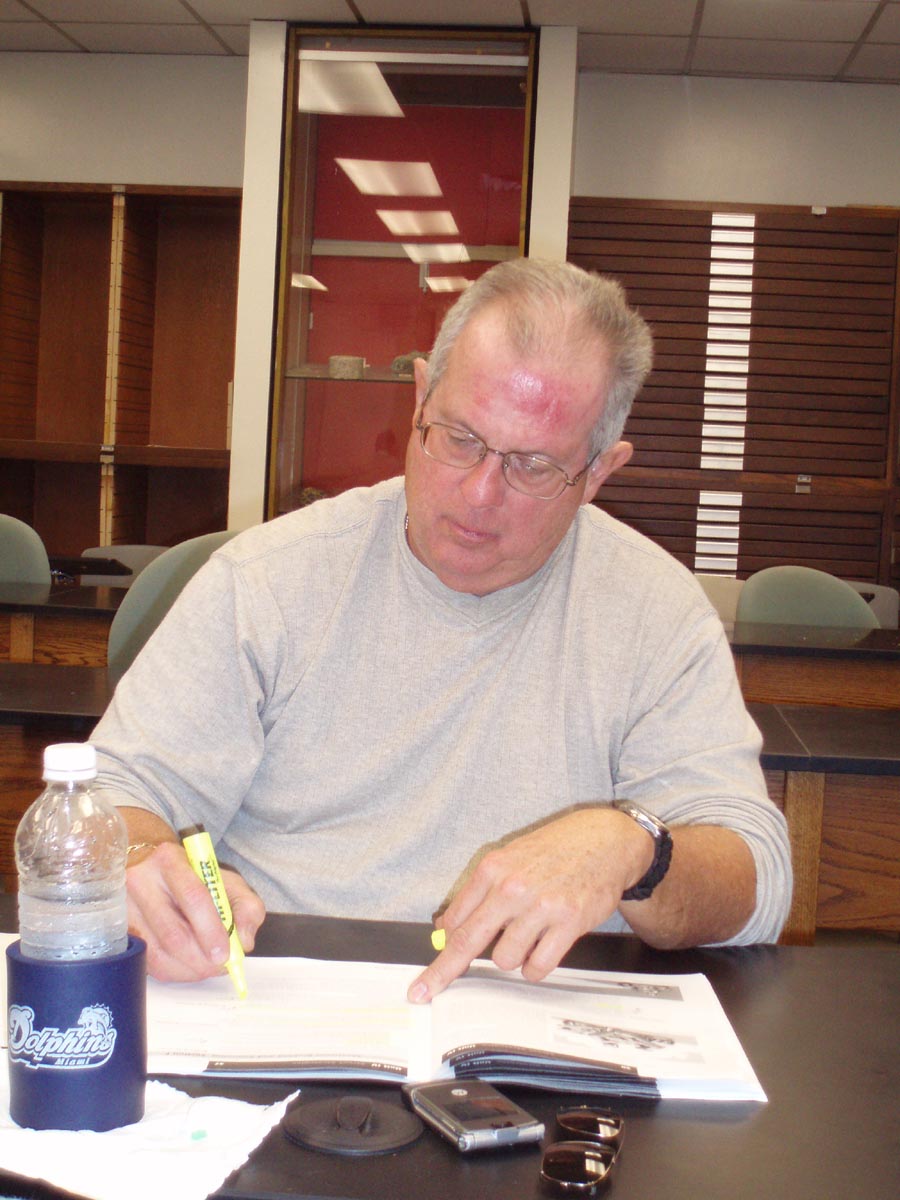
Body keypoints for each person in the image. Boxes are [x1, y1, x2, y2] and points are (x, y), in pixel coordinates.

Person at [91, 258, 792, 1003]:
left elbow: (758, 881)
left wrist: (636, 848)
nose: (479, 492)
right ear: (420, 396)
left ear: (597, 473)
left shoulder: (654, 612)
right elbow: (109, 793)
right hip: (281, 997)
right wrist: (138, 859)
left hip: (535, 1013)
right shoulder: (268, 580)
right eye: (458, 437)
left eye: (532, 466)